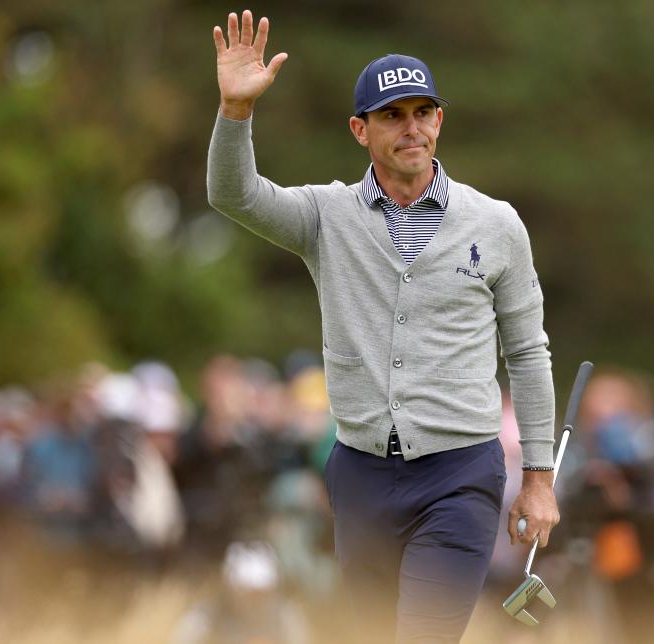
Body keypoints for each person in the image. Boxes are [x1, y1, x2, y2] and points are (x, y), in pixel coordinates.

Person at [207, 11, 558, 642]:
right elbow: (235, 195)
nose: (411, 128)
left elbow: (528, 354)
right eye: (392, 116)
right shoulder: (326, 215)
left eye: (423, 112)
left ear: (440, 121)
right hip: (361, 473)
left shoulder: (497, 224)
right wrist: (236, 112)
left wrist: (537, 479)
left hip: (461, 474)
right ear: (360, 130)